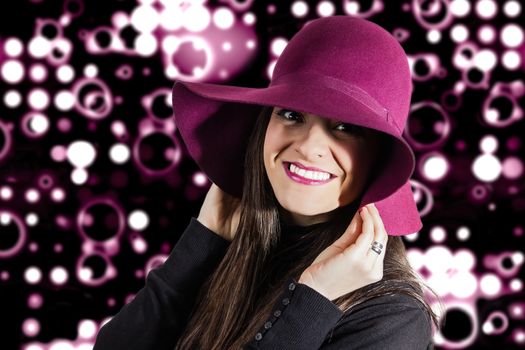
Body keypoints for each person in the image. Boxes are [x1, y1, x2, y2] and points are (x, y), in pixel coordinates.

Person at [93, 15, 443, 349]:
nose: (308, 147)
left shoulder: (390, 318)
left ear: (380, 158)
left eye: (346, 128)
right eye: (291, 115)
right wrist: (199, 244)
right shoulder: (227, 255)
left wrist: (313, 302)